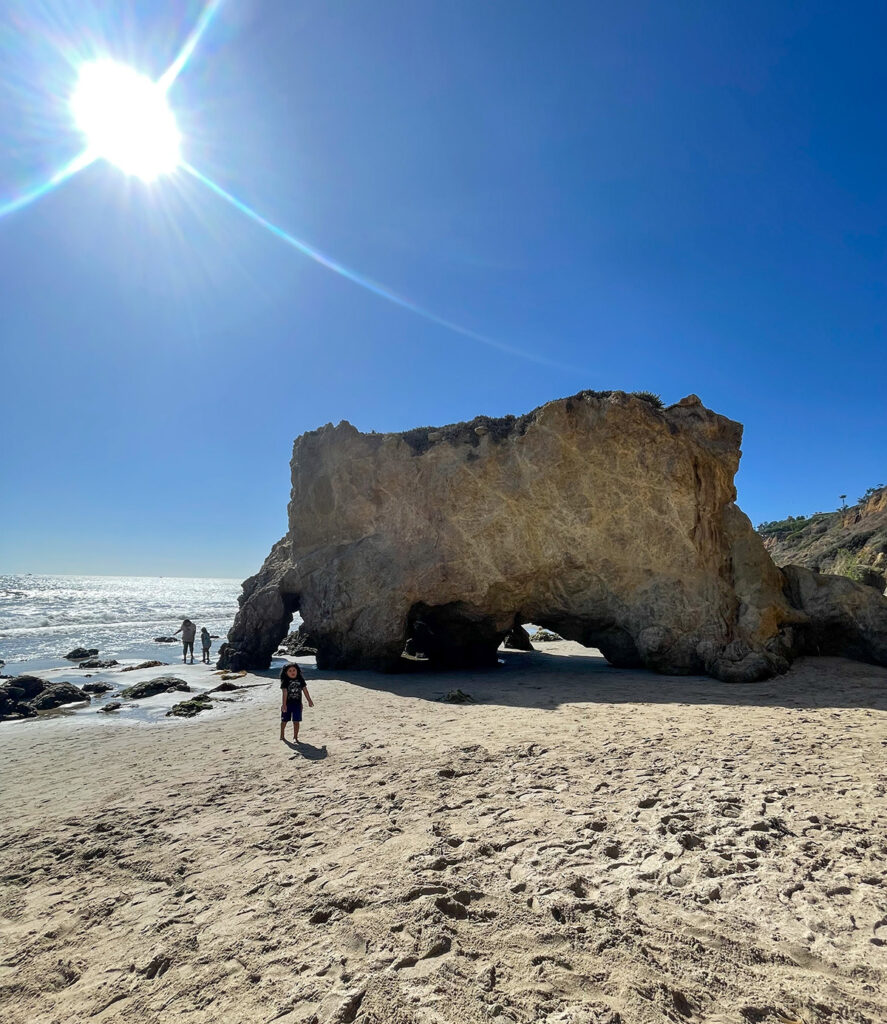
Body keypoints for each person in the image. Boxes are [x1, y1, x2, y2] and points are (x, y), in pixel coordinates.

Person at [280, 662, 314, 743]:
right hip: (287, 705)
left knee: (296, 721)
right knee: (284, 721)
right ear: (286, 672)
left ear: (297, 671)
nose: (292, 672)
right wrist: (284, 705)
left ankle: (295, 737)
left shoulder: (300, 679)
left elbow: (305, 690)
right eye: (290, 671)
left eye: (294, 670)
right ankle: (282, 735)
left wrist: (309, 700)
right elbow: (284, 693)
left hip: (297, 705)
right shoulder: (285, 681)